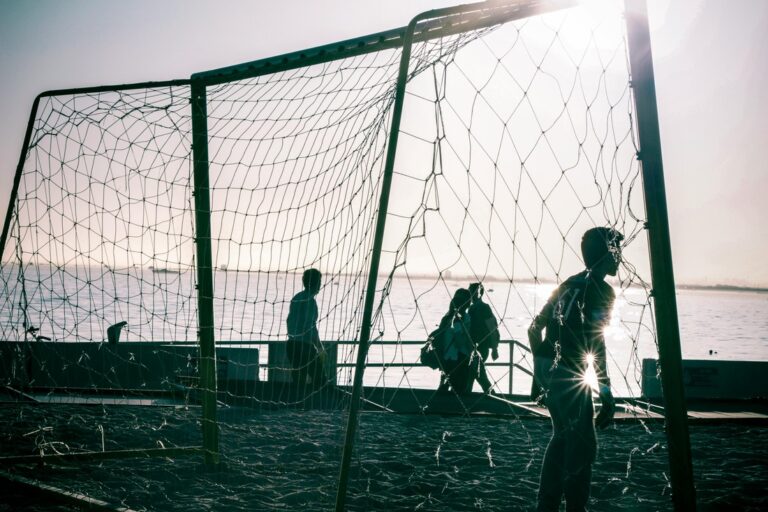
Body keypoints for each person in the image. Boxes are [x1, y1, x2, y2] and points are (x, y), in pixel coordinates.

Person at [528, 227, 623, 512]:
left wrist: (540, 366)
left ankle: (547, 504)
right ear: (609, 254)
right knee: (583, 443)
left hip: (550, 367)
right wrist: (605, 390)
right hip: (568, 370)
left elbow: (534, 327)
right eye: (618, 251)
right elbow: (596, 341)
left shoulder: (568, 283)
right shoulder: (602, 290)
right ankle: (574, 506)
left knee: (562, 436)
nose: (620, 258)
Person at [286, 268, 328, 387]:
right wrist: (320, 347)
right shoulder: (310, 302)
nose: (321, 284)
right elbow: (310, 327)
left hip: (291, 345)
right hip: (304, 347)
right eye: (319, 281)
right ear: (316, 283)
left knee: (299, 382)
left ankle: (298, 403)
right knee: (320, 380)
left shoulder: (296, 298)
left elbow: (290, 321)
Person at [436, 288, 474, 394]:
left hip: (446, 358)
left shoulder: (446, 318)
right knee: (459, 390)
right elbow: (459, 342)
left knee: (444, 388)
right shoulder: (459, 320)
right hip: (458, 359)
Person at [468, 282, 500, 394]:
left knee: (477, 374)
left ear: (479, 293)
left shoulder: (484, 308)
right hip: (474, 347)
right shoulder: (471, 308)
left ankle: (492, 395)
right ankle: (490, 394)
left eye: (472, 292)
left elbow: (491, 328)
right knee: (475, 374)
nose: (471, 295)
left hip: (482, 347)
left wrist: (495, 349)